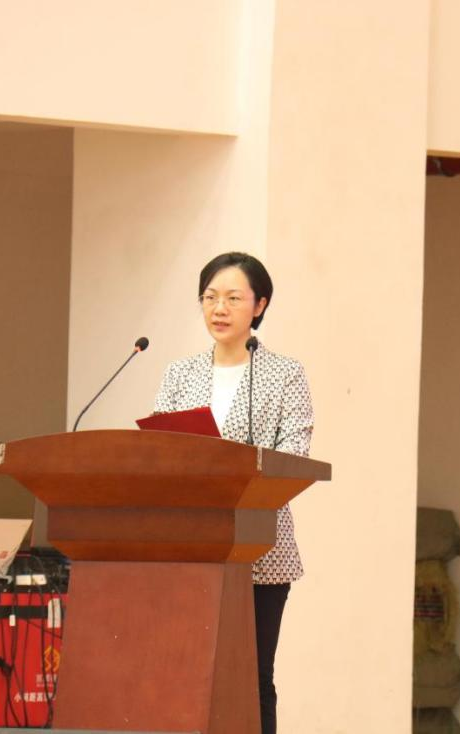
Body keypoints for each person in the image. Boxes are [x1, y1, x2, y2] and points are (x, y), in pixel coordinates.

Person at [153, 251, 313, 734]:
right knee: (188, 675)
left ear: (259, 305)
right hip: (191, 547)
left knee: (252, 676)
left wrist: (242, 486)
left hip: (261, 550)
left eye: (233, 298)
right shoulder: (179, 374)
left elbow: (295, 455)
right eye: (209, 297)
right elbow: (159, 450)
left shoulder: (284, 374)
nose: (219, 308)